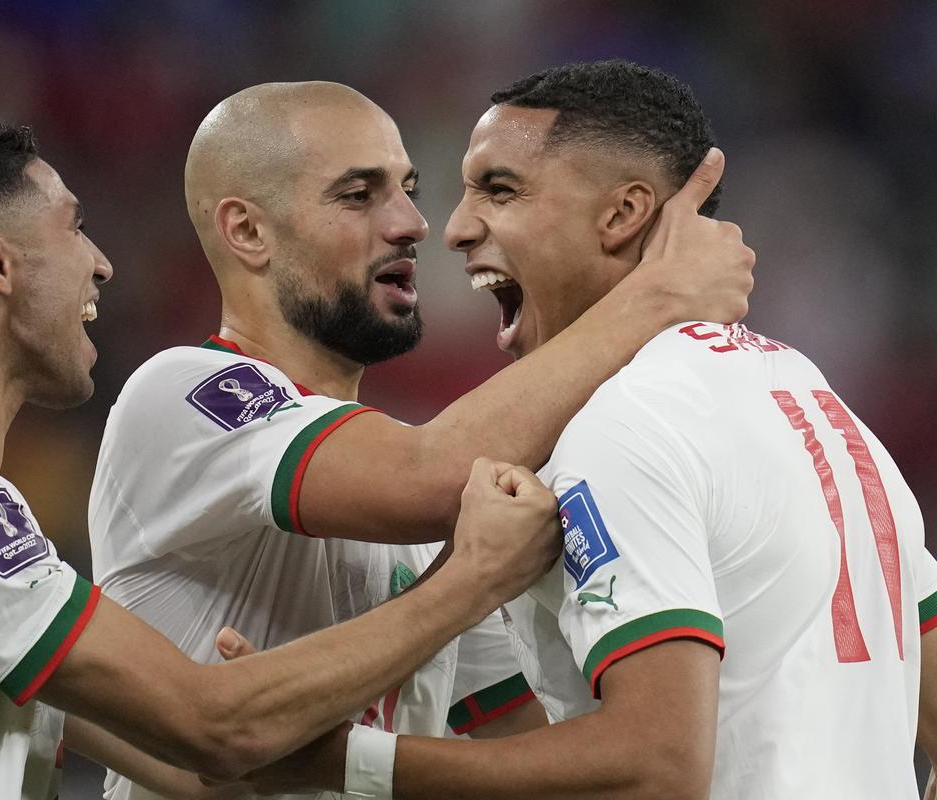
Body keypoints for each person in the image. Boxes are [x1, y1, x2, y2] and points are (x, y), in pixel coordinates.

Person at [0, 120, 563, 800]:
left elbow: (215, 768)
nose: (100, 262)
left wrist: (284, 705)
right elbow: (215, 724)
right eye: (73, 227)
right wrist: (470, 579)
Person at [231, 61, 937, 800]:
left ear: (622, 214)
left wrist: (346, 764)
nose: (456, 227)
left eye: (500, 189)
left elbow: (657, 768)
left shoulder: (625, 424)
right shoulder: (823, 411)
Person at [88, 81, 754, 798]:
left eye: (407, 188)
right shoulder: (182, 394)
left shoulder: (423, 507)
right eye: (357, 195)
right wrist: (657, 294)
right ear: (248, 232)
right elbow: (425, 479)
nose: (411, 222)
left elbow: (516, 752)